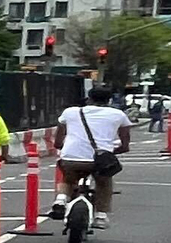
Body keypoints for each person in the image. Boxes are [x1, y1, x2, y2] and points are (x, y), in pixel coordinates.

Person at [49, 85, 133, 228]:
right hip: (100, 161)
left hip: (72, 157)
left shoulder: (70, 112)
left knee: (68, 179)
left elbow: (58, 140)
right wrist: (115, 151)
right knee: (104, 183)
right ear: (109, 100)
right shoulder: (118, 115)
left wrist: (61, 147)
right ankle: (101, 215)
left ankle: (61, 200)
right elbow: (125, 142)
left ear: (89, 99)